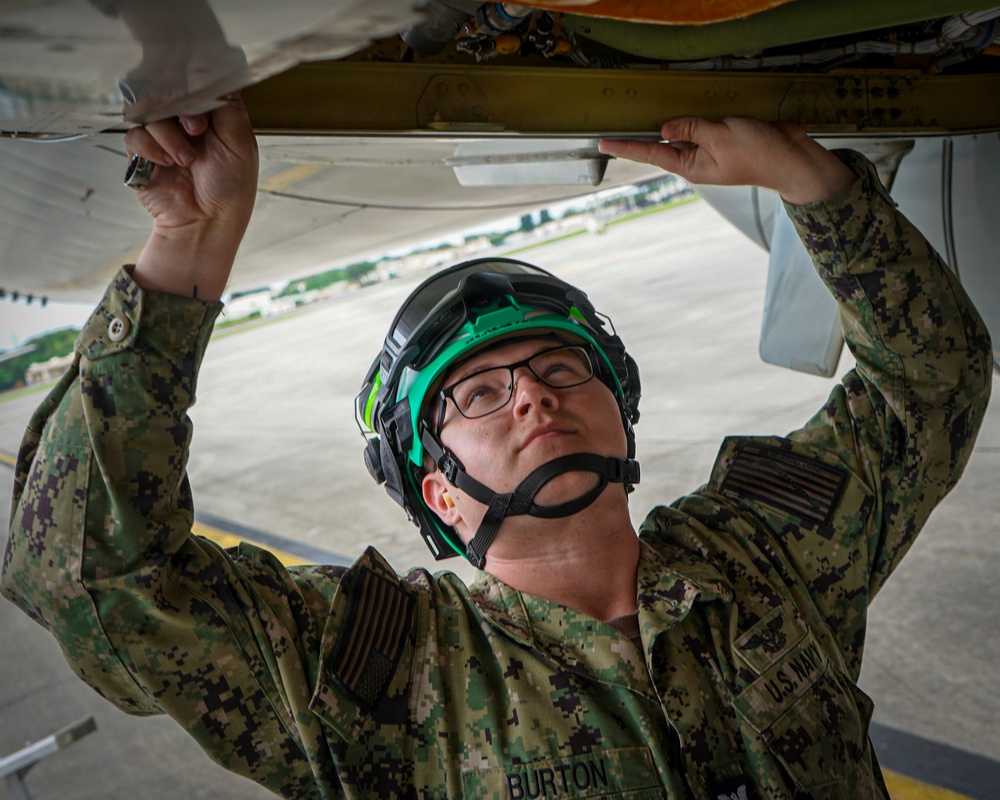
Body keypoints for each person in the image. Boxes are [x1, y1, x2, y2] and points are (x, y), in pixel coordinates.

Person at [1, 96, 992, 800]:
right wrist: (186, 254)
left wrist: (808, 180)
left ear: (617, 413)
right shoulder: (382, 677)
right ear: (439, 490)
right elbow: (91, 579)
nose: (528, 391)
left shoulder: (765, 556)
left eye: (562, 368)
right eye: (477, 392)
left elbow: (931, 382)